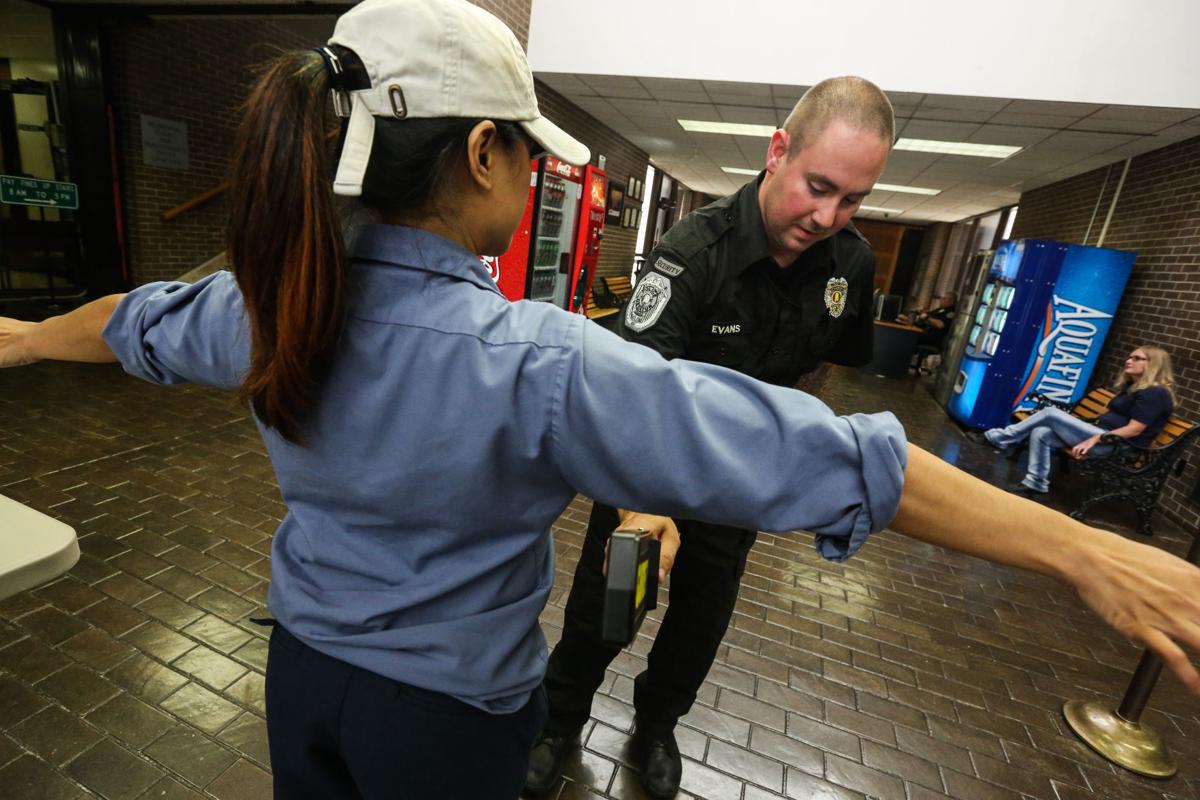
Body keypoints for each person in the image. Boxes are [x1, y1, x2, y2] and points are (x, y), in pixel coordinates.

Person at [3, 5, 1200, 799]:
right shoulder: (538, 362)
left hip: (303, 677)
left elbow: (122, 322)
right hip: (446, 722)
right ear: (482, 154)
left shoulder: (272, 304)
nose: (534, 176)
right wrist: (1081, 549)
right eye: (528, 153)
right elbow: (839, 460)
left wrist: (16, 337)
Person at [528, 76, 885, 798]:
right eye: (817, 187)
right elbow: (634, 390)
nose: (828, 215)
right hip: (647, 478)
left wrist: (775, 448)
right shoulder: (694, 249)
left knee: (699, 625)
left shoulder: (851, 263)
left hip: (738, 491)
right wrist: (645, 507)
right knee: (606, 611)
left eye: (851, 199)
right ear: (778, 149)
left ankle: (656, 728)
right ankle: (557, 723)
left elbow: (825, 365)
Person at [972, 346, 1175, 499]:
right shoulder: (1135, 387)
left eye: (1137, 358)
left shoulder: (1155, 393)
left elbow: (1134, 430)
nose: (1128, 360)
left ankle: (998, 438)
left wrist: (1094, 438)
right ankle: (1035, 484)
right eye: (1130, 356)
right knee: (1041, 432)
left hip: (1116, 446)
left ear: (1153, 365)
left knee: (1050, 413)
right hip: (1102, 435)